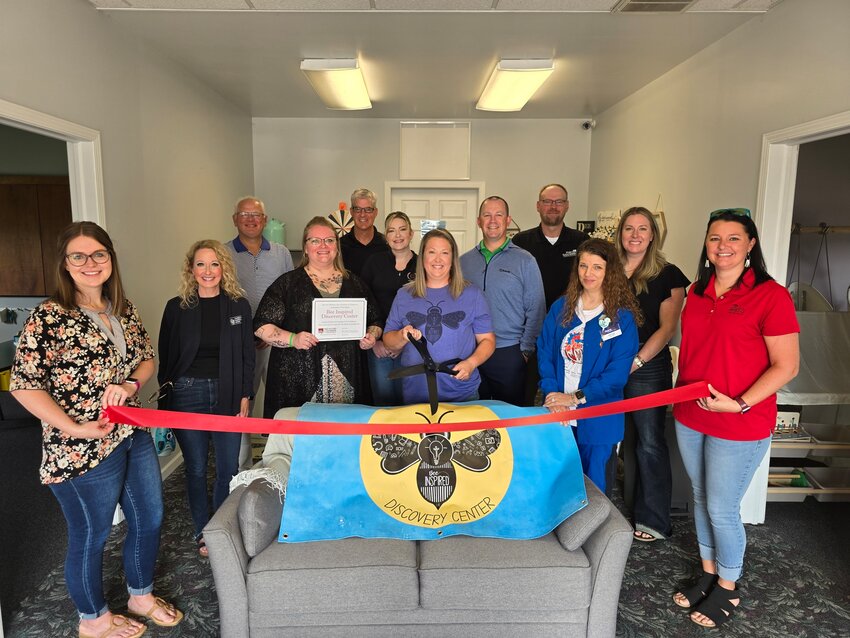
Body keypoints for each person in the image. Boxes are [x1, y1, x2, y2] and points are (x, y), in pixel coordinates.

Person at [11, 221, 182, 638]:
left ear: (110, 260)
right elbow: (23, 386)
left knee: (150, 516)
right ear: (65, 264)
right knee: (92, 533)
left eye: (99, 255)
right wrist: (75, 427)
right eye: (78, 256)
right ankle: (94, 620)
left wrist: (129, 384)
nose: (90, 263)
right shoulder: (49, 317)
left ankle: (139, 596)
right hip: (81, 447)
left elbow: (146, 360)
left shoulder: (121, 308)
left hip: (132, 433)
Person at [672, 208, 799, 629]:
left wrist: (741, 402)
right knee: (700, 497)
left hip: (740, 420)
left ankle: (728, 587)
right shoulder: (697, 291)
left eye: (732, 238)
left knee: (723, 507)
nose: (722, 247)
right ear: (706, 246)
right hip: (691, 415)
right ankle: (708, 573)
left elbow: (787, 366)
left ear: (750, 245)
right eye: (714, 239)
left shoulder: (770, 296)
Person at [158, 239, 254, 557]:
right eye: (201, 264)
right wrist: (165, 407)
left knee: (227, 467)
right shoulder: (177, 307)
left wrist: (245, 395)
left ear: (223, 267)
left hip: (227, 393)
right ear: (191, 269)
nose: (208, 271)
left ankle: (221, 527)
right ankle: (203, 531)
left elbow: (246, 355)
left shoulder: (238, 306)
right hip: (188, 394)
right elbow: (166, 356)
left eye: (214, 264)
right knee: (196, 468)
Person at [537, 238, 640, 495]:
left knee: (594, 490)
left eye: (597, 267)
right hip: (559, 415)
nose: (588, 273)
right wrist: (554, 397)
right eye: (583, 266)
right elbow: (545, 353)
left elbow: (616, 376)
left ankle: (593, 536)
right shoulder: (562, 308)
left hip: (599, 418)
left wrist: (573, 397)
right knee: (560, 486)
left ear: (610, 272)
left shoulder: (622, 318)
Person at [254, 216, 382, 415]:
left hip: (347, 380)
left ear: (337, 246)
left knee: (344, 435)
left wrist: (371, 336)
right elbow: (261, 325)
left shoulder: (356, 284)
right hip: (299, 378)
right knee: (303, 438)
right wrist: (292, 339)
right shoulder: (287, 284)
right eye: (315, 240)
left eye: (329, 240)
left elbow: (375, 320)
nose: (323, 245)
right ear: (305, 247)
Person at [616, 207, 691, 543]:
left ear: (652, 235)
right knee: (614, 439)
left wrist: (637, 361)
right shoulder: (609, 269)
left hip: (647, 365)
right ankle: (618, 507)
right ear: (620, 233)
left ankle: (655, 520)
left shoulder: (668, 274)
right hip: (608, 362)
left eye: (642, 229)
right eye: (629, 228)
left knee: (649, 442)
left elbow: (668, 327)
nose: (635, 235)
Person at [383, 229, 495, 404]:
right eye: (432, 252)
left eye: (445, 253)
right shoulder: (404, 294)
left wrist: (471, 363)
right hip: (416, 393)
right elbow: (388, 341)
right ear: (422, 258)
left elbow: (488, 340)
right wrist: (401, 335)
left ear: (453, 259)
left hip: (461, 392)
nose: (438, 259)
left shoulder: (472, 294)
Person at [225, 196, 293, 466]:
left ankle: (282, 464)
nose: (251, 219)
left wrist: (272, 331)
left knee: (284, 403)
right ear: (235, 220)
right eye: (245, 214)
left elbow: (290, 294)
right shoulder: (223, 253)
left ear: (265, 220)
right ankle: (242, 470)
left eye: (256, 215)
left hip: (276, 342)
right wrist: (249, 333)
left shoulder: (281, 253)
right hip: (240, 344)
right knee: (243, 406)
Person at [460, 195, 545, 405]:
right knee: (473, 414)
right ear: (478, 221)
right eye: (487, 215)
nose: (492, 220)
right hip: (471, 351)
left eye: (499, 215)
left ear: (508, 220)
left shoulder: (525, 260)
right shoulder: (462, 262)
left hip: (509, 352)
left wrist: (525, 351)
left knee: (508, 417)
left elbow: (537, 309)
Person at [360, 211, 418, 405]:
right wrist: (376, 340)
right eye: (392, 231)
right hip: (379, 347)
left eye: (403, 229)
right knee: (384, 402)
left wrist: (402, 343)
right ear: (386, 236)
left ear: (411, 233)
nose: (398, 235)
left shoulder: (422, 266)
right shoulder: (373, 263)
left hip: (412, 347)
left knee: (409, 401)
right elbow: (363, 303)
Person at [512, 183, 589, 311]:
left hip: (571, 318)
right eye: (547, 201)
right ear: (538, 206)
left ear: (567, 206)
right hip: (532, 321)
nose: (553, 206)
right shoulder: (520, 242)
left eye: (559, 201)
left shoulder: (582, 241)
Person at [339, 187, 390, 277]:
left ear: (375, 212)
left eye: (368, 209)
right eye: (358, 209)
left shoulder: (387, 245)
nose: (363, 214)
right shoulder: (339, 246)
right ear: (351, 212)